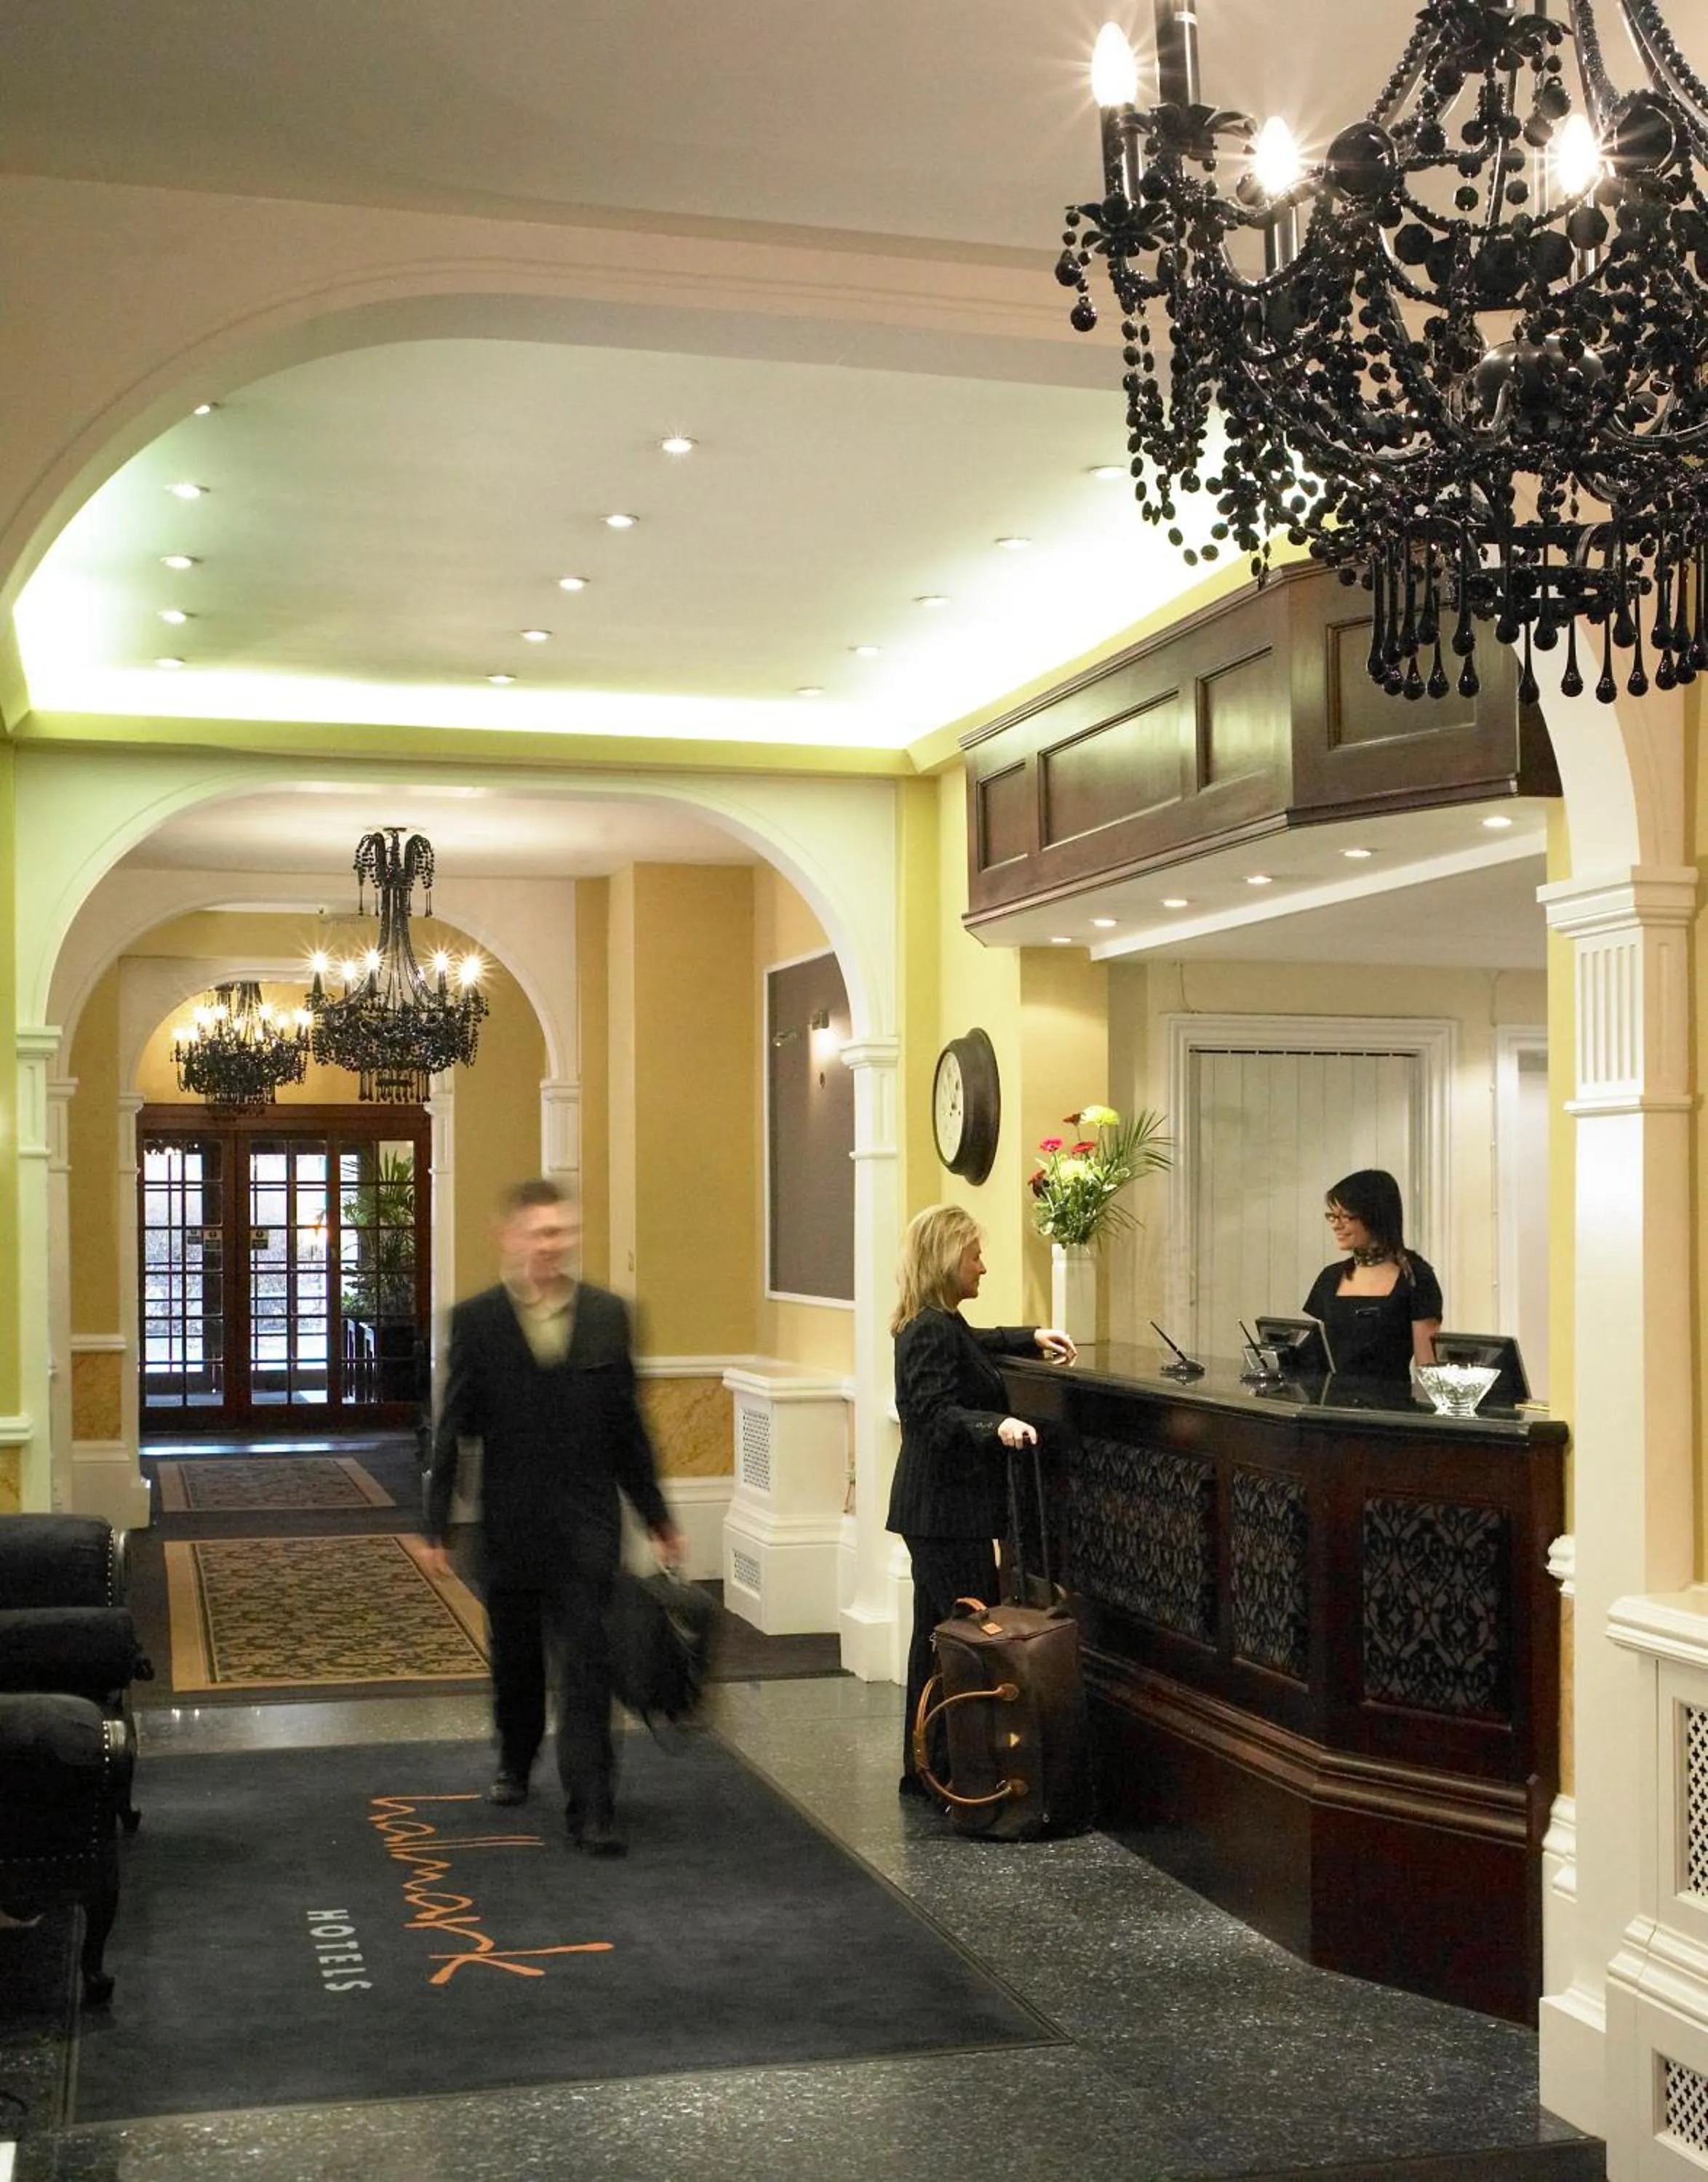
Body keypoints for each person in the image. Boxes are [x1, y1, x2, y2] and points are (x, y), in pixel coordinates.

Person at [420, 1178, 682, 1857]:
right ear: (509, 1238)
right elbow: (453, 1430)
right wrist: (436, 1523)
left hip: (588, 1526)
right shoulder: (478, 1322)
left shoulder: (606, 1315)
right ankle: (514, 1754)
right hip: (508, 1525)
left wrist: (655, 1514)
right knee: (516, 1659)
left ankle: (592, 1808)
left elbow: (628, 1425)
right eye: (539, 1233)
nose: (553, 1244)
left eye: (562, 1233)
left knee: (589, 1666)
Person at [885, 1204, 1076, 1801]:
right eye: (974, 1256)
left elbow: (978, 1343)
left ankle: (929, 1767)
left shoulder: (941, 1324)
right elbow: (929, 1412)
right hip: (945, 1514)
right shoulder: (927, 1330)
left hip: (937, 1513)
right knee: (971, 1639)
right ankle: (966, 1773)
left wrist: (1030, 1335)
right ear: (947, 1260)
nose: (983, 1268)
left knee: (935, 1639)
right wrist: (996, 1425)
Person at [1302, 1167, 1442, 1381]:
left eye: (1346, 1217)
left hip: (1390, 1409)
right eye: (1332, 1216)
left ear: (1375, 1216)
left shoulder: (1415, 1277)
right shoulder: (1330, 1277)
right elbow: (1313, 1359)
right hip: (1331, 1406)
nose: (1336, 1225)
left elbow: (1428, 1370)